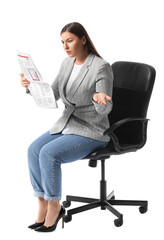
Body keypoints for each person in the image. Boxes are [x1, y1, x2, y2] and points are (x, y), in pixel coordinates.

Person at [20, 22, 113, 232]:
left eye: (69, 40)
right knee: (34, 150)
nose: (65, 46)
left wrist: (100, 99)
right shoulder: (66, 63)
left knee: (49, 153)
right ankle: (42, 202)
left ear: (83, 39)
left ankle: (55, 205)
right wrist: (31, 87)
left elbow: (106, 109)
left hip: (93, 129)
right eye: (62, 42)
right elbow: (53, 95)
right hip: (68, 123)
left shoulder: (100, 66)